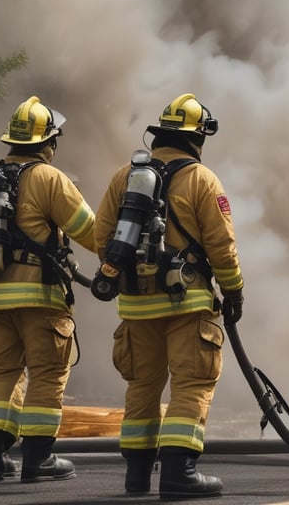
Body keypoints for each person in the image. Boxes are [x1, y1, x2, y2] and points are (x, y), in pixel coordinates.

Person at [92, 93, 244, 499]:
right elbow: (222, 246)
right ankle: (180, 474)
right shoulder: (202, 179)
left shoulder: (123, 176)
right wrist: (233, 291)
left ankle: (137, 477)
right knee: (192, 383)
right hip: (187, 304)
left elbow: (101, 238)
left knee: (142, 386)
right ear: (197, 138)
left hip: (135, 304)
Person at [0, 96, 96, 482]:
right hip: (39, 298)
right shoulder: (49, 178)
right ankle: (38, 459)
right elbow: (92, 232)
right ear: (49, 144)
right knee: (46, 372)